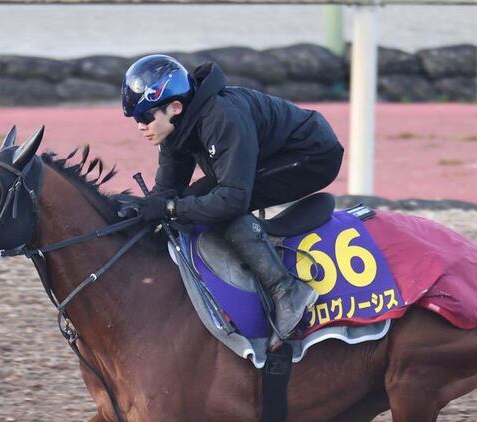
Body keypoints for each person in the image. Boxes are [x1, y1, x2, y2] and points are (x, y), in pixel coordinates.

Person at [119, 54, 344, 346]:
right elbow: (166, 193)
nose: (140, 126)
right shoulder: (177, 126)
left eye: (145, 117)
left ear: (175, 107)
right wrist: (139, 214)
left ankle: (287, 289)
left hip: (311, 155)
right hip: (267, 153)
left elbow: (232, 200)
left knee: (220, 208)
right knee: (192, 203)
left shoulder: (221, 117)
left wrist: (171, 208)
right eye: (136, 119)